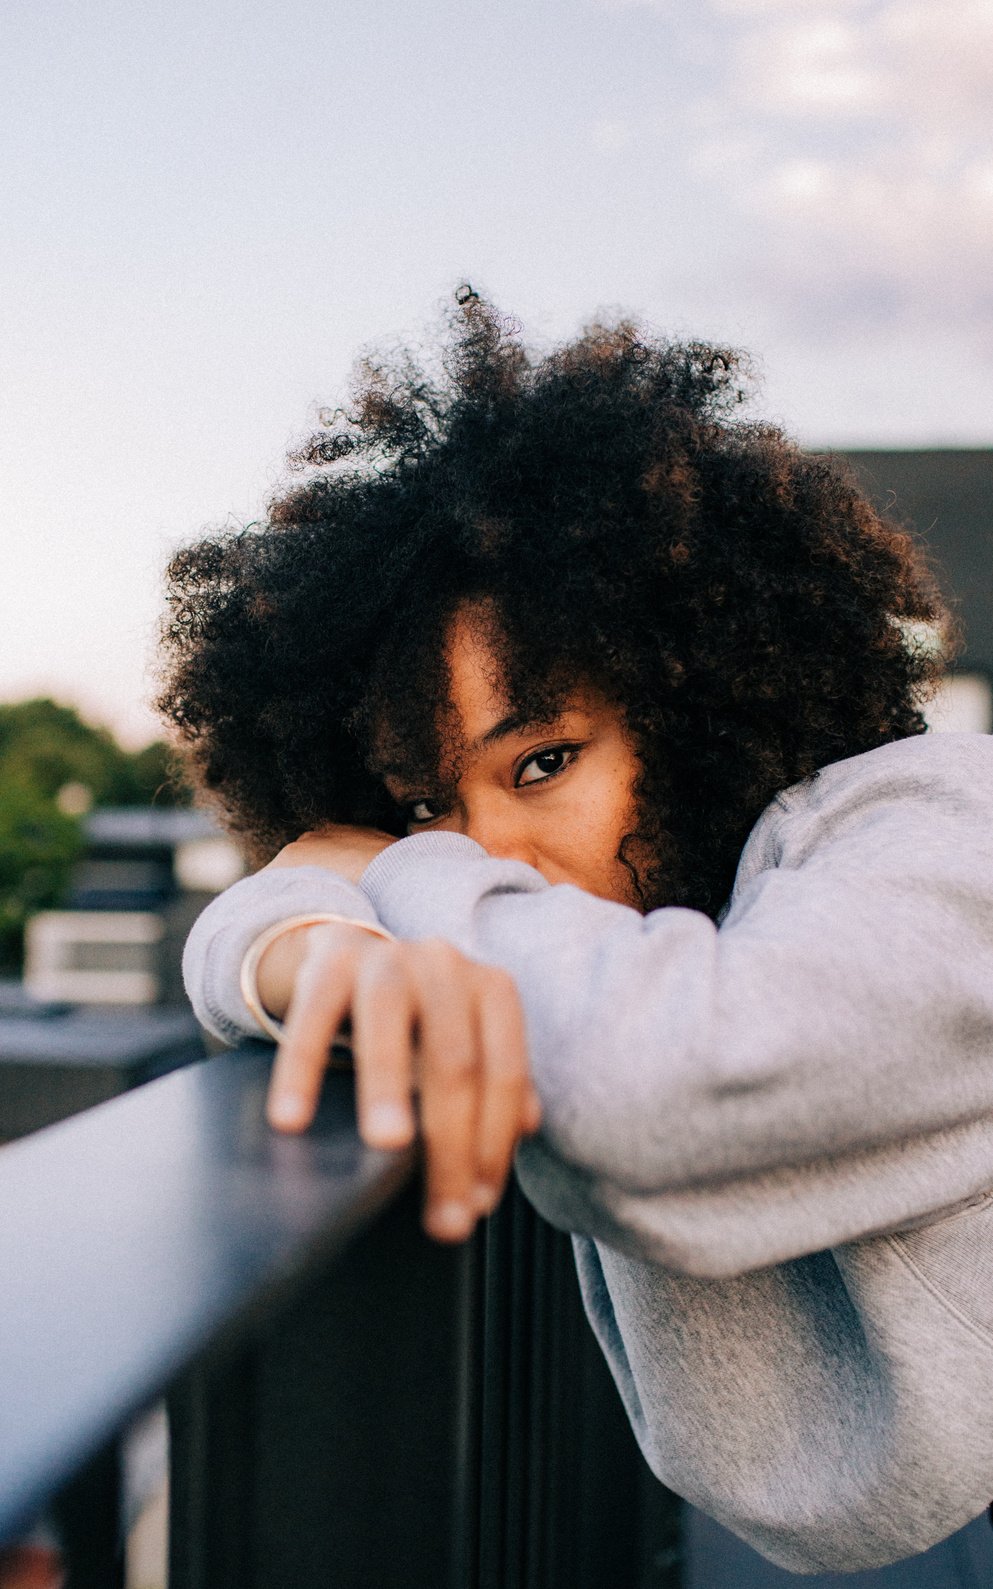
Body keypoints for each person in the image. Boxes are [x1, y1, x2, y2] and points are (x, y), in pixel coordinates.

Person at [160, 289, 993, 1574]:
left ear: (698, 690)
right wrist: (312, 936)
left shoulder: (946, 827)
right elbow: (260, 923)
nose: (491, 856)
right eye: (430, 806)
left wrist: (405, 866)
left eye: (544, 759)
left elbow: (650, 1084)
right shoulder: (652, 913)